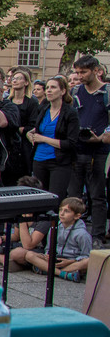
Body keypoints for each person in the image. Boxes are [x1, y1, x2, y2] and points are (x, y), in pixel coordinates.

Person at [68, 55, 109, 246]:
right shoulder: (76, 91)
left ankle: (98, 235)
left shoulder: (106, 92)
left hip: (99, 151)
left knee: (97, 195)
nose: (80, 76)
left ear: (96, 70)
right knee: (73, 194)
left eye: (83, 72)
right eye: (77, 72)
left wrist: (101, 136)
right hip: (78, 149)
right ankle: (72, 234)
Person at [0, 176, 51, 271]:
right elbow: (16, 236)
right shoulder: (21, 212)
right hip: (19, 246)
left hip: (34, 251)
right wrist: (1, 238)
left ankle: (9, 261)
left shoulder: (43, 217)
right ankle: (4, 260)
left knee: (17, 253)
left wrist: (22, 220)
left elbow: (28, 245)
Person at [26, 75, 79, 202]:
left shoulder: (70, 113)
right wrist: (30, 134)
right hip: (39, 159)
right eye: (47, 88)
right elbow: (37, 129)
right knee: (39, 200)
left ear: (63, 91)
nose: (48, 90)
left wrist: (43, 139)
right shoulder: (43, 109)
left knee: (55, 199)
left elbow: (70, 143)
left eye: (53, 87)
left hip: (59, 162)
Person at [24, 196, 92, 282]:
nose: (62, 213)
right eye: (60, 210)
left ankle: (47, 270)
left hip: (70, 262)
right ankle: (62, 273)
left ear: (77, 216)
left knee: (88, 262)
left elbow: (86, 255)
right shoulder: (55, 227)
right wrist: (48, 255)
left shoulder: (82, 234)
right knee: (29, 255)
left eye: (66, 211)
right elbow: (48, 247)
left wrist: (71, 261)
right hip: (55, 259)